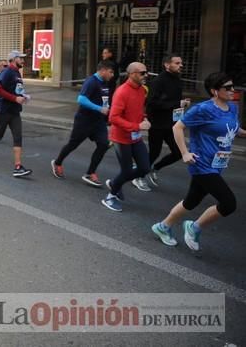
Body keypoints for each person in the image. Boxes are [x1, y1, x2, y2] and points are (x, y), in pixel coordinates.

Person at [151, 72, 244, 250]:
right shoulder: (203, 109)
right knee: (228, 203)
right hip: (201, 163)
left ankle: (163, 227)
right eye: (228, 87)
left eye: (233, 86)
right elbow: (178, 127)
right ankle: (194, 227)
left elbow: (233, 128)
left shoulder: (232, 107)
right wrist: (185, 153)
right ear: (214, 91)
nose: (233, 90)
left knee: (191, 201)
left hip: (218, 164)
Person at [51, 60, 115, 187]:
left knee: (103, 144)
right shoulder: (91, 81)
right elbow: (81, 99)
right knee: (73, 144)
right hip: (84, 120)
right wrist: (99, 108)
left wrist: (110, 117)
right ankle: (57, 162)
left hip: (98, 122)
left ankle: (90, 173)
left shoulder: (106, 83)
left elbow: (105, 102)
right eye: (111, 72)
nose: (112, 75)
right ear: (103, 70)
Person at [102, 62, 151, 212]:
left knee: (144, 168)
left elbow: (138, 110)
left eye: (146, 72)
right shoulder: (122, 91)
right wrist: (137, 126)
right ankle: (110, 196)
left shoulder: (142, 90)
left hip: (135, 137)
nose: (146, 75)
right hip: (121, 138)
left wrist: (144, 118)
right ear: (132, 74)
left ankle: (114, 183)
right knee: (127, 171)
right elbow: (113, 118)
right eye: (142, 73)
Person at [139, 53, 191, 189]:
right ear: (167, 65)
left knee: (179, 152)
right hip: (157, 123)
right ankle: (139, 176)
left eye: (181, 63)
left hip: (172, 124)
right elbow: (152, 103)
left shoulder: (178, 80)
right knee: (154, 152)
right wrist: (176, 104)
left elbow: (173, 101)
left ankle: (155, 168)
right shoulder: (158, 81)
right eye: (177, 63)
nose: (181, 65)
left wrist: (182, 105)